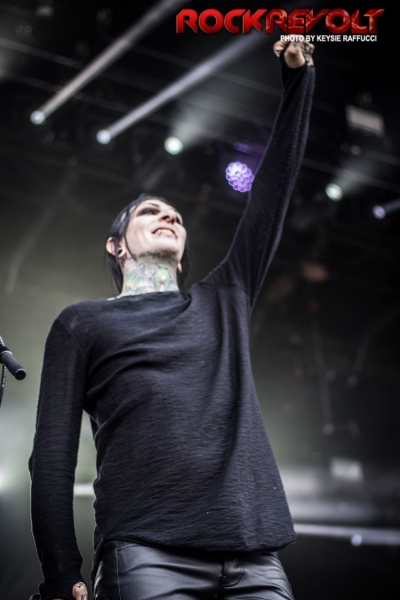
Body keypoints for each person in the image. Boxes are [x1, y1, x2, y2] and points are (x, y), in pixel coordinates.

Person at [29, 38, 315, 600]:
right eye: (150, 211)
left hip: (256, 558)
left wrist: (299, 82)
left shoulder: (223, 297)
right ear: (116, 245)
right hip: (147, 552)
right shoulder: (80, 323)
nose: (170, 216)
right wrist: (61, 571)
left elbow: (272, 193)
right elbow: (53, 456)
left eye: (177, 216)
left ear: (183, 257)